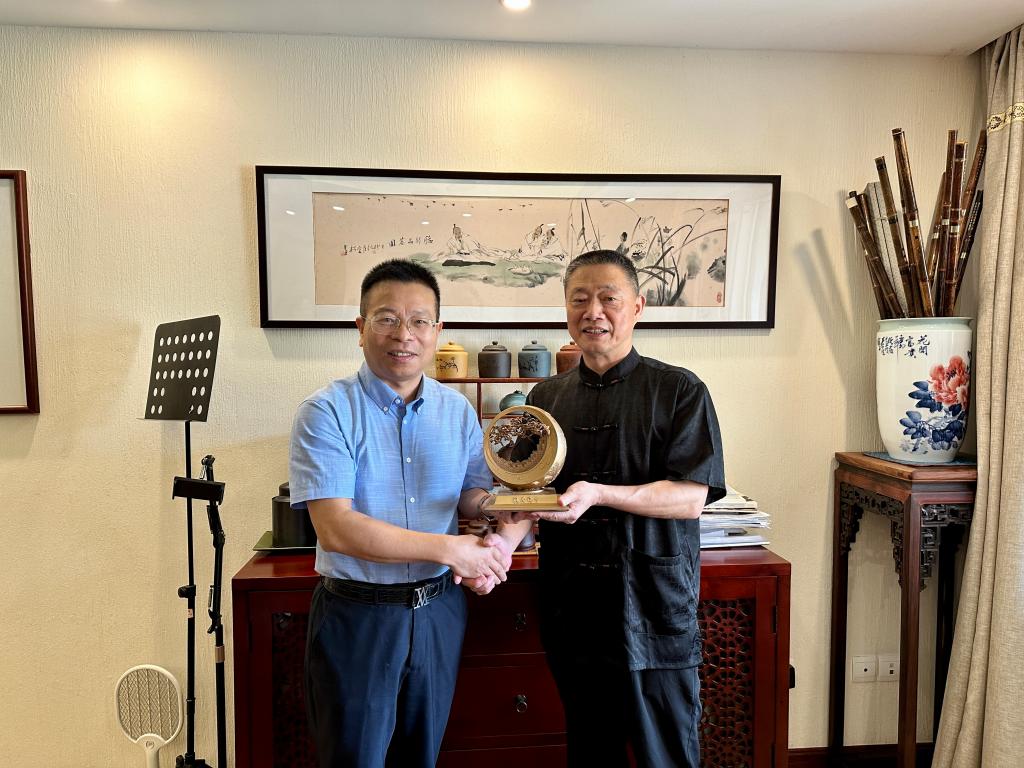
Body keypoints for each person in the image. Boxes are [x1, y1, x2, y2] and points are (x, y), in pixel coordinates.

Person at [495, 249, 726, 767]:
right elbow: (527, 492)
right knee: (590, 749)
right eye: (580, 299)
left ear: (637, 307)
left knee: (665, 753)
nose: (593, 312)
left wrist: (599, 493)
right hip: (572, 606)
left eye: (608, 299)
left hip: (653, 604)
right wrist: (497, 547)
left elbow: (691, 498)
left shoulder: (679, 390)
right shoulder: (545, 397)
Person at [289, 258, 511, 768]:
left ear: (437, 331)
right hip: (358, 615)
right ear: (360, 328)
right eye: (387, 318)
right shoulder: (326, 411)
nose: (403, 334)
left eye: (418, 321)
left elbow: (471, 494)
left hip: (438, 612)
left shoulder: (457, 411)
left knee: (422, 756)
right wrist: (453, 549)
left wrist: (507, 508)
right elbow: (336, 528)